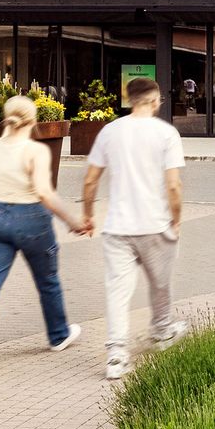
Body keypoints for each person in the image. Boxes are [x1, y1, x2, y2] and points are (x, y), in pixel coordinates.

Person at [0, 95, 87, 375]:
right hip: (31, 219)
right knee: (47, 280)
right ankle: (58, 334)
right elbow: (43, 192)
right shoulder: (35, 151)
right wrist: (71, 220)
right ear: (33, 119)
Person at [80, 77, 188, 380]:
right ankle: (162, 330)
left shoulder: (109, 131)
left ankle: (116, 354)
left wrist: (88, 215)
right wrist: (176, 218)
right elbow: (174, 185)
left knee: (117, 290)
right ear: (155, 101)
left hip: (117, 227)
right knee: (161, 283)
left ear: (129, 100)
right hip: (155, 224)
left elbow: (90, 180)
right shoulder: (166, 133)